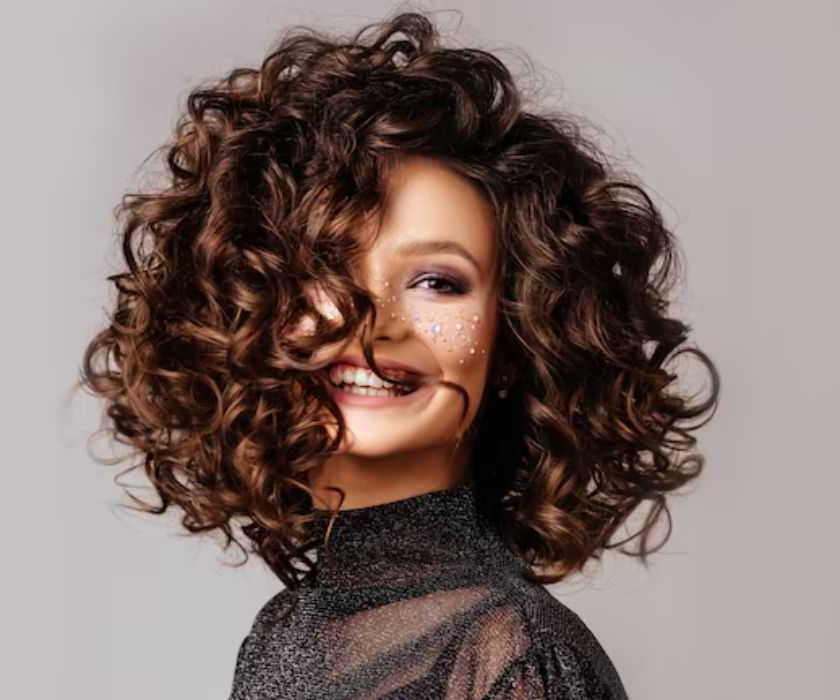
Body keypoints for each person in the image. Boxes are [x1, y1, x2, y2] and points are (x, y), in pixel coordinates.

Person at [78, 10, 720, 699]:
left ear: (516, 335)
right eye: (327, 269)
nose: (374, 323)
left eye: (437, 282)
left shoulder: (514, 654)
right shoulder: (284, 635)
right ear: (255, 310)